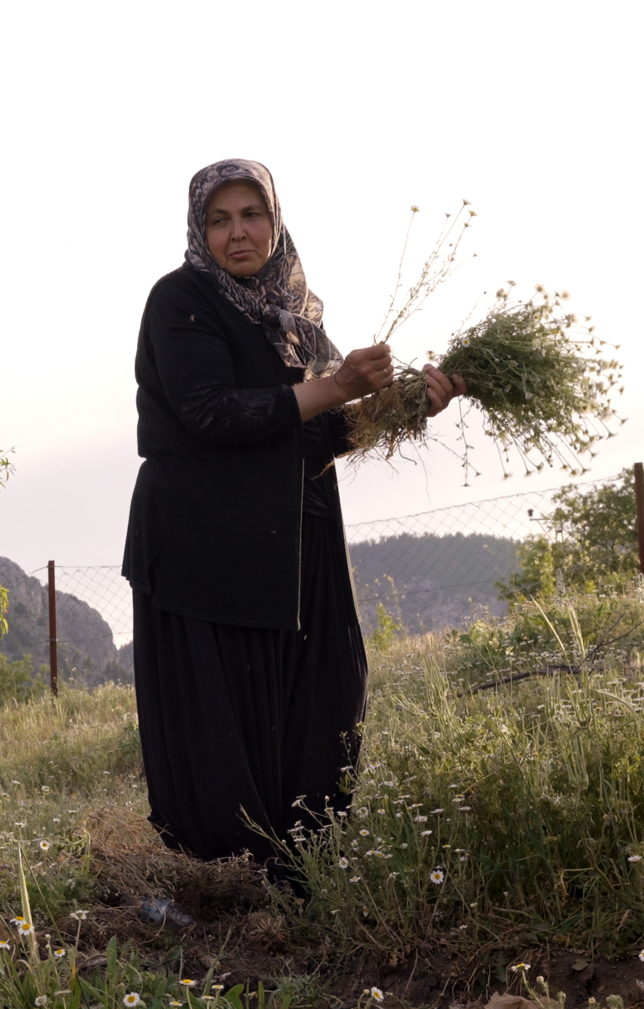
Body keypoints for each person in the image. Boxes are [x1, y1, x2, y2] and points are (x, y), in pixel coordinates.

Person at [121, 159, 461, 873]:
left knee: (325, 692)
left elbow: (320, 435)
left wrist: (405, 406)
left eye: (252, 215)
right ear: (199, 229)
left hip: (291, 539)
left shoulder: (298, 321)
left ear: (275, 223)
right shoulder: (181, 300)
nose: (237, 232)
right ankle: (224, 878)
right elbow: (211, 412)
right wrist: (337, 385)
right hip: (203, 546)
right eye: (220, 219)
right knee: (223, 715)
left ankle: (302, 866)